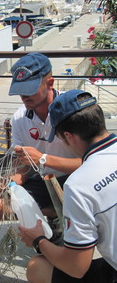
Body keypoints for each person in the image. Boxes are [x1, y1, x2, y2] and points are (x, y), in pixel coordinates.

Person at [0, 53, 81, 236]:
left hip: (75, 180)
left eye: (30, 89)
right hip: (42, 181)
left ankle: (63, 218)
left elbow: (90, 163)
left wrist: (43, 159)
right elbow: (21, 172)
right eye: (21, 90)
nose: (24, 96)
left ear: (50, 83)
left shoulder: (74, 110)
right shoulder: (20, 118)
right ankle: (53, 215)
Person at [19, 89, 117, 283]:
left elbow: (76, 267)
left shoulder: (79, 185)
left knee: (37, 267)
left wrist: (39, 240)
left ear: (69, 137)